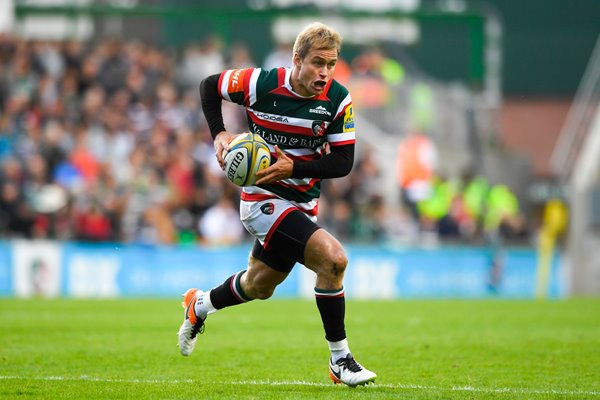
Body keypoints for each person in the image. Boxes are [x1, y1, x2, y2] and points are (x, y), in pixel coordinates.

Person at [177, 22, 377, 387]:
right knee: (333, 260)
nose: (325, 72)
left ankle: (199, 305)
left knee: (258, 285)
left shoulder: (338, 99)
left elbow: (343, 162)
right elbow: (209, 86)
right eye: (318, 63)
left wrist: (295, 165)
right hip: (262, 200)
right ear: (296, 59)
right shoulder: (261, 84)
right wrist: (219, 133)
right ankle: (340, 360)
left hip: (302, 205)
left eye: (331, 64)